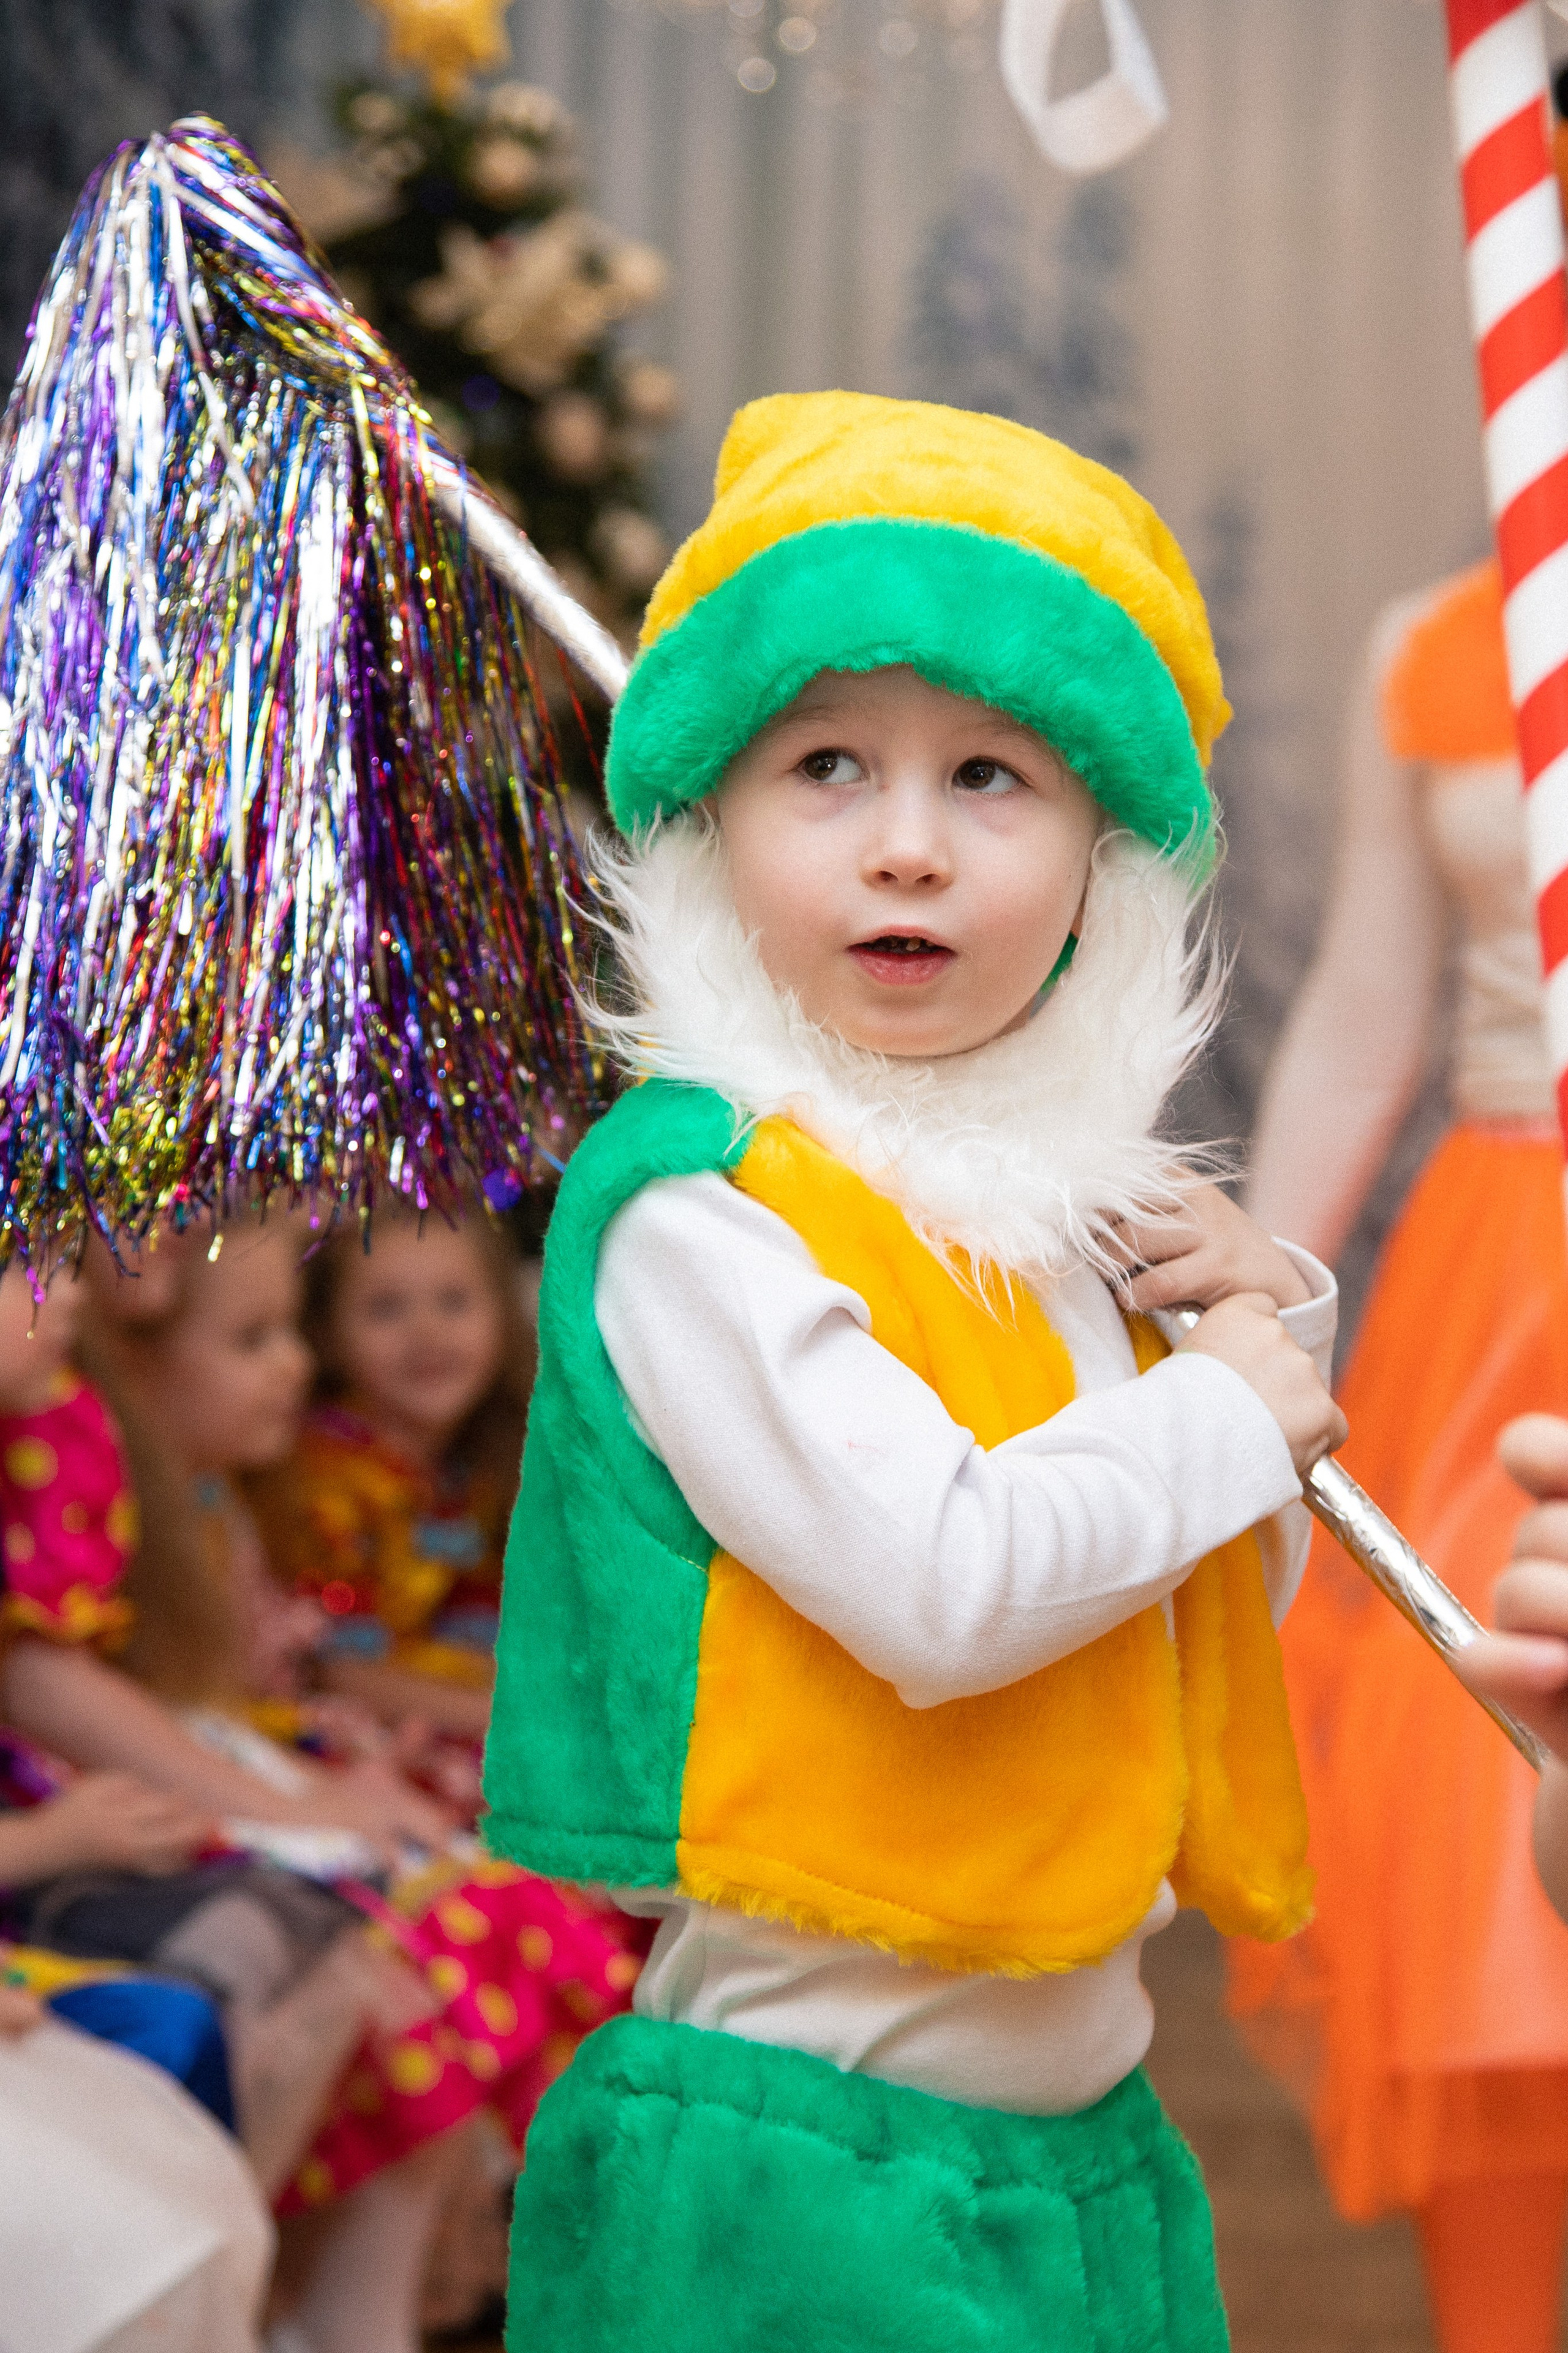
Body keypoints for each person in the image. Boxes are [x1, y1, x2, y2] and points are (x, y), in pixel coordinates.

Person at [482, 388, 1345, 2351]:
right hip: (808, 2178)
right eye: (826, 768)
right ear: (710, 823)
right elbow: (947, 1589)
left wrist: (1251, 1340)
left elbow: (1178, 1609)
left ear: (1098, 861)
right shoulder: (703, 1218)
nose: (904, 848)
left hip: (1075, 2142)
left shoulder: (1052, 1219)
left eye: (987, 778)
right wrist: (1219, 1410)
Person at [80, 1215, 635, 2350]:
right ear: (135, 1362)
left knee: (512, 1915)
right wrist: (307, 1798)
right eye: (257, 1339)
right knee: (477, 1925)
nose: (294, 1365)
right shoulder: (258, 1496)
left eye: (290, 1333)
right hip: (230, 1820)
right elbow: (306, 1678)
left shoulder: (225, 1501)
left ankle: (402, 2297)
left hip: (292, 1785)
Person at [1230, 546, 1568, 2353]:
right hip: (1502, 1280)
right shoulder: (1434, 644)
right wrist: (1243, 1319)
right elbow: (1367, 1013)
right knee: (1476, 1823)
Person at [254, 1204, 531, 1762]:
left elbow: (468, 1638)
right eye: (386, 1308)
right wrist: (514, 1714)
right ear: (326, 1333)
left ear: (503, 1316)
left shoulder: (469, 1471)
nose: (426, 1332)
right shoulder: (327, 1478)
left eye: (453, 1301)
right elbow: (341, 1674)